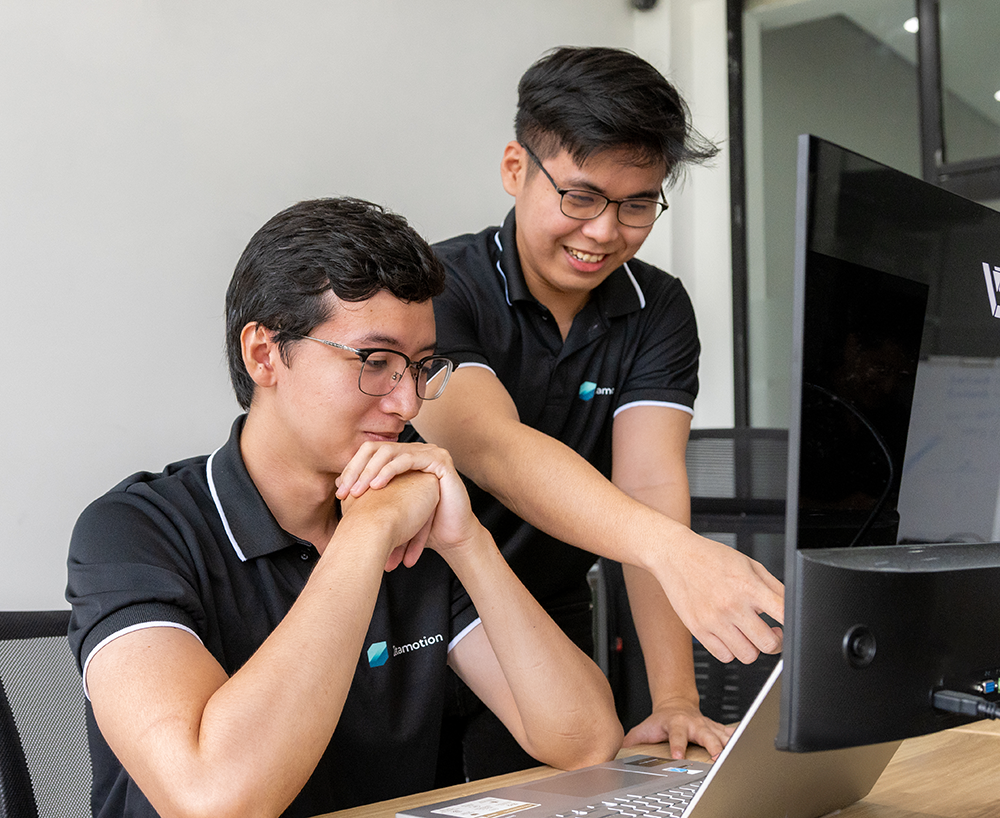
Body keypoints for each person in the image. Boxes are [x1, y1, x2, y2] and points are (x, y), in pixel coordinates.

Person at [66, 197, 622, 818]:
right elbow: (215, 801)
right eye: (375, 362)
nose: (408, 404)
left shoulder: (415, 510)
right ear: (264, 354)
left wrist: (469, 545)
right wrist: (365, 535)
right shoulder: (135, 532)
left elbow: (586, 741)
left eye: (420, 367)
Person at [384, 46, 784, 775]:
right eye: (581, 196)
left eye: (637, 205)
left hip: (550, 613)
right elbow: (491, 448)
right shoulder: (437, 289)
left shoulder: (655, 306)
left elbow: (650, 488)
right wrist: (677, 551)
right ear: (516, 169)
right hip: (412, 610)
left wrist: (674, 698)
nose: (604, 232)